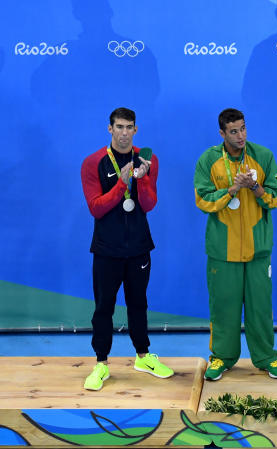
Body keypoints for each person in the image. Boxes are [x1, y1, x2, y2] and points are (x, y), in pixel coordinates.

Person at [79, 107, 173, 390]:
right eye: (118, 127)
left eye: (128, 127)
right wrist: (122, 182)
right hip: (107, 248)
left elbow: (148, 204)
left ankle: (143, 356)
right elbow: (96, 208)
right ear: (109, 129)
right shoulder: (92, 162)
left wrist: (142, 178)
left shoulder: (148, 159)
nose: (123, 133)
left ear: (136, 130)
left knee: (138, 304)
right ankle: (101, 364)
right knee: (103, 307)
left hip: (139, 247)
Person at [194, 108, 277, 380]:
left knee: (260, 308)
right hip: (223, 251)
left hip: (258, 249)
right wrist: (232, 189)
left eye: (243, 128)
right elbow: (203, 200)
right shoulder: (208, 160)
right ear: (222, 133)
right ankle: (221, 358)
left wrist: (255, 188)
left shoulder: (263, 156)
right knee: (223, 308)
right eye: (234, 131)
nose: (241, 135)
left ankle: (267, 358)